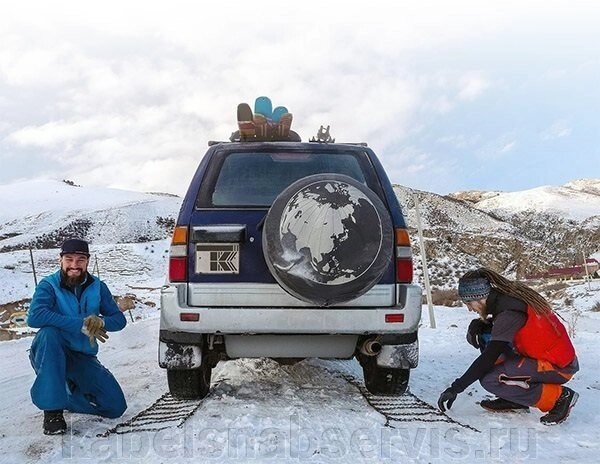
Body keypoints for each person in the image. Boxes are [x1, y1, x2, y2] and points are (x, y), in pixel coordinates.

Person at [437, 268, 579, 425]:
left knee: (490, 379)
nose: (470, 308)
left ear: (480, 298)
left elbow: (488, 357)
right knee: (486, 340)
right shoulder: (505, 302)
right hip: (545, 358)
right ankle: (515, 399)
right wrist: (480, 325)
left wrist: (456, 388)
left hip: (559, 368)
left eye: (469, 303)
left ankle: (560, 397)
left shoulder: (509, 312)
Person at [27, 239, 127, 435]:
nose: (74, 265)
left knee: (115, 407)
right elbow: (35, 317)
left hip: (81, 356)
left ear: (87, 261)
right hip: (50, 353)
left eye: (80, 259)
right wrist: (80, 324)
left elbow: (119, 320)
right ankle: (53, 411)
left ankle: (66, 395)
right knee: (49, 333)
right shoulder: (48, 285)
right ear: (61, 260)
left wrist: (101, 322)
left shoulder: (98, 287)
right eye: (69, 259)